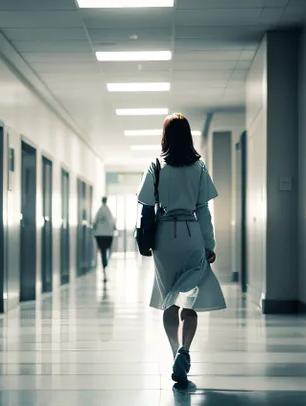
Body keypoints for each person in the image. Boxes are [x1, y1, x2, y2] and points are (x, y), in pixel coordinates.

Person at [136, 113, 226, 386]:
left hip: (165, 238)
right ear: (187, 136)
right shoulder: (199, 167)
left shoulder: (156, 166)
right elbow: (204, 210)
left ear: (165, 136)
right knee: (190, 301)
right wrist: (208, 244)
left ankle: (175, 352)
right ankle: (185, 350)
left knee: (169, 302)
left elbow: (146, 204)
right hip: (191, 235)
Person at [93, 197, 116, 281]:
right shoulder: (108, 211)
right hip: (108, 235)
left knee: (102, 251)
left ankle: (104, 265)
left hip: (100, 235)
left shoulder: (99, 211)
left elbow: (94, 223)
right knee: (108, 250)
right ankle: (105, 264)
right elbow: (112, 223)